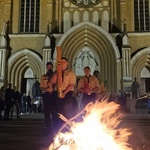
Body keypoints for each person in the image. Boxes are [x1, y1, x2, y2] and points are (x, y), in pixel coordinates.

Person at [52, 57, 77, 132]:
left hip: (67, 93)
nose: (62, 64)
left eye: (63, 62)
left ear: (67, 63)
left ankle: (67, 130)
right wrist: (57, 72)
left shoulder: (70, 73)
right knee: (58, 112)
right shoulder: (57, 72)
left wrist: (64, 92)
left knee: (66, 111)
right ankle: (58, 129)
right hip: (58, 93)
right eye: (60, 62)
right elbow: (53, 82)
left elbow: (71, 84)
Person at [40, 62, 57, 134]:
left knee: (54, 112)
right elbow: (41, 87)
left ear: (52, 67)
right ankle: (49, 129)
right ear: (46, 67)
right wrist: (47, 90)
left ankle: (56, 128)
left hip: (53, 95)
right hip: (46, 95)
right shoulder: (43, 77)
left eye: (50, 67)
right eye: (48, 67)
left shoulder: (55, 75)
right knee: (46, 112)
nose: (49, 68)